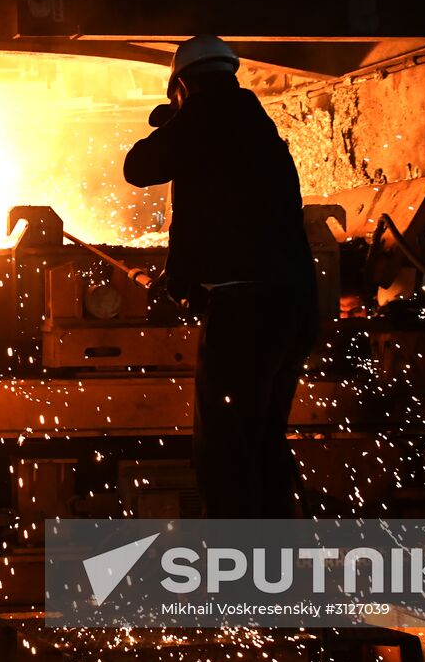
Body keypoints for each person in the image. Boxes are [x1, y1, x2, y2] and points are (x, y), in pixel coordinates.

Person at [124, 35, 317, 519]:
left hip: (243, 315)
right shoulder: (260, 130)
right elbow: (223, 209)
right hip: (291, 308)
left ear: (182, 85)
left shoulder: (202, 117)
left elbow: (137, 167)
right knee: (263, 441)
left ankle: (238, 577)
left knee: (224, 452)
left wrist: (176, 124)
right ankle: (277, 568)